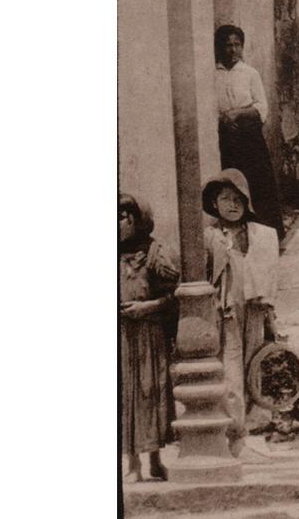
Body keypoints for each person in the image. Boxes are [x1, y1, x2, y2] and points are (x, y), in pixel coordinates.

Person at [203, 168, 279, 458]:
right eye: (225, 199)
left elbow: (267, 276)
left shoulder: (260, 235)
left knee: (253, 371)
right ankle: (235, 437)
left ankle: (250, 433)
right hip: (228, 313)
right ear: (214, 203)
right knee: (232, 376)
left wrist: (271, 314)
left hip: (255, 310)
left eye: (238, 199)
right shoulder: (211, 236)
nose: (232, 205)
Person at [119, 193, 179, 482]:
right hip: (120, 336)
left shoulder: (154, 252)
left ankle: (154, 459)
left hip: (147, 336)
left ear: (137, 219)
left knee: (149, 392)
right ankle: (132, 464)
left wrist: (147, 307)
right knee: (123, 397)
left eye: (121, 217)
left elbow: (173, 295)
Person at [214, 24, 285, 239]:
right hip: (226, 138)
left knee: (258, 184)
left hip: (249, 137)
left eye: (237, 45)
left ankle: (266, 235)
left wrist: (237, 114)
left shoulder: (249, 73)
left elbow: (262, 108)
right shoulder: (213, 74)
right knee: (231, 185)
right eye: (228, 45)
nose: (233, 50)